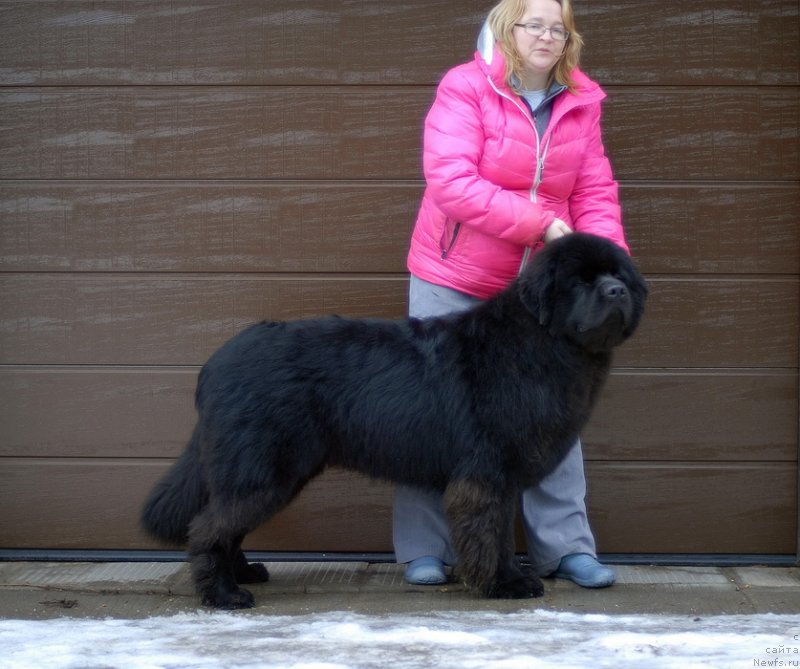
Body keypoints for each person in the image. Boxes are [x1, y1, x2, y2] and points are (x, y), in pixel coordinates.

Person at [394, 0, 628, 589]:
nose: (547, 36)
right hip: (455, 278)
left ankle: (566, 548)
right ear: (507, 30)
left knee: (555, 414)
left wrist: (604, 261)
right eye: (534, 24)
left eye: (558, 27)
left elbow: (594, 188)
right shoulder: (466, 86)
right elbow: (451, 180)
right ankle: (427, 550)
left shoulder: (582, 99)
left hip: (545, 292)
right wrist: (542, 226)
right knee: (431, 416)